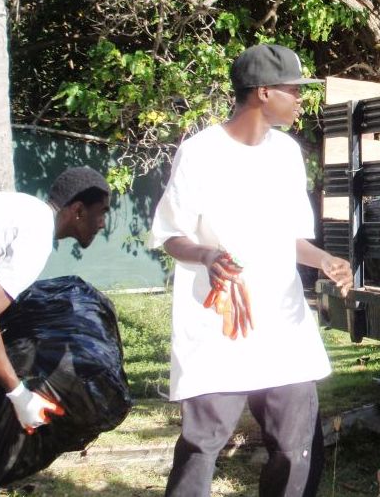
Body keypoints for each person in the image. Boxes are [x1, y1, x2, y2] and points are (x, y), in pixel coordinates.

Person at [150, 43, 353, 497]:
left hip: (283, 327)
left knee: (296, 447)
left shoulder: (286, 154)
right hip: (221, 327)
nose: (301, 99)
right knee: (202, 445)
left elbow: (290, 238)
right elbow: (169, 234)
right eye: (293, 90)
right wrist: (205, 256)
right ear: (263, 92)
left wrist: (325, 261)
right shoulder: (200, 152)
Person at [0, 166, 111, 496]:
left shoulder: (25, 211)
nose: (103, 223)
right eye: (101, 213)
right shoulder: (36, 236)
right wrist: (19, 394)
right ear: (78, 210)